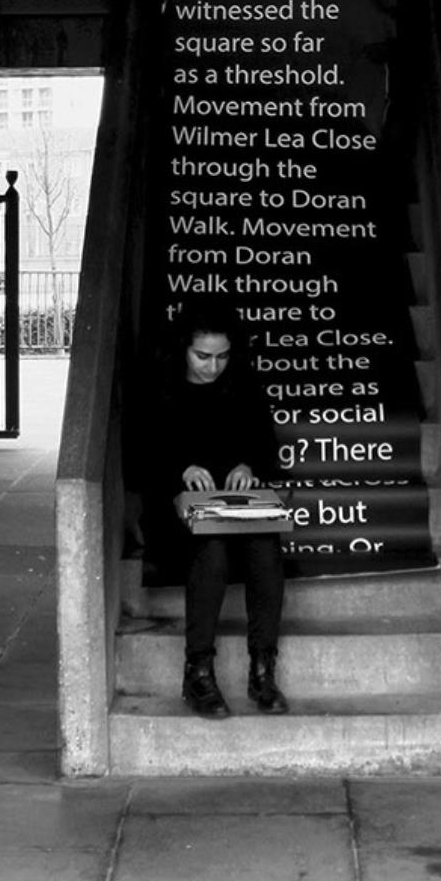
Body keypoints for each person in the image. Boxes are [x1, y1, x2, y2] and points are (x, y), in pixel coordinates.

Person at [141, 295, 288, 719]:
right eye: (202, 356)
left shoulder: (243, 383)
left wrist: (248, 465)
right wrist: (180, 471)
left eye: (222, 356)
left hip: (234, 509)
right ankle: (199, 672)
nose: (212, 366)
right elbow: (141, 457)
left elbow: (266, 448)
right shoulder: (160, 386)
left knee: (265, 547)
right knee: (213, 550)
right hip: (177, 515)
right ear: (183, 349)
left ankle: (263, 669)